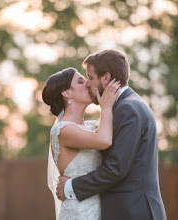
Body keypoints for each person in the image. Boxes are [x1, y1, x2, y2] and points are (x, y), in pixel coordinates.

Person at [56, 49, 167, 220]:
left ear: (106, 78)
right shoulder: (127, 105)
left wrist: (71, 186)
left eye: (90, 77)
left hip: (133, 212)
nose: (87, 84)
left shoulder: (127, 108)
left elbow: (116, 168)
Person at [42, 67, 121, 219]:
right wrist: (107, 106)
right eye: (80, 81)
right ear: (67, 93)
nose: (87, 84)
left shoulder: (90, 127)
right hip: (79, 213)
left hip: (100, 210)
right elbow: (104, 140)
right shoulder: (63, 130)